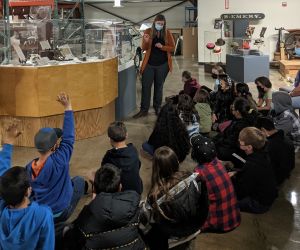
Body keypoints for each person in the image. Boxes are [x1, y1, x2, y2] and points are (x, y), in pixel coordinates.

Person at [25, 93, 85, 223]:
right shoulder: (61, 160)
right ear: (54, 147)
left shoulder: (29, 167)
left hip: (41, 215)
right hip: (61, 213)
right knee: (79, 181)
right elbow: (68, 138)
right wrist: (68, 107)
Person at [63, 164, 146, 250]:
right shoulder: (133, 205)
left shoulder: (86, 217)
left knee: (65, 229)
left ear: (94, 189)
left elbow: (72, 240)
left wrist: (94, 203)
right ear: (120, 187)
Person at [140, 146, 208, 249]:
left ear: (156, 168)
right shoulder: (194, 179)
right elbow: (204, 204)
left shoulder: (154, 197)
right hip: (195, 225)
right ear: (176, 162)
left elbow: (149, 220)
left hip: (173, 234)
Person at [0, 124, 55, 250]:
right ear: (28, 191)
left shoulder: (2, 208)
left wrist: (8, 143)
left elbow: (2, 174)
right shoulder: (44, 214)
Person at [191, 134, 241, 233]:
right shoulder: (219, 164)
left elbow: (194, 197)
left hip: (218, 223)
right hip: (234, 218)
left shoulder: (199, 172)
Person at [133, 14, 175, 118]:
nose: (160, 25)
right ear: (154, 23)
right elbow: (144, 48)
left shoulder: (167, 32)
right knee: (146, 87)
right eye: (158, 23)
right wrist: (146, 41)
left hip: (163, 65)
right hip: (149, 64)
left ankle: (157, 107)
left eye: (162, 24)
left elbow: (172, 48)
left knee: (159, 87)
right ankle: (144, 110)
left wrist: (162, 47)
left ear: (164, 24)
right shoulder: (148, 32)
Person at [231, 127, 277, 214]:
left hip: (259, 204)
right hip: (268, 195)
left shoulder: (253, 164)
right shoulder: (264, 153)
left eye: (240, 142)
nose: (239, 143)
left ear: (249, 147)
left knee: (224, 201)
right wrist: (237, 172)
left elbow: (242, 191)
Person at [213, 97, 258, 165]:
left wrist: (217, 143)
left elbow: (232, 142)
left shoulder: (243, 125)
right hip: (230, 145)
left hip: (237, 152)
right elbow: (226, 132)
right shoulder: (238, 118)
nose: (232, 112)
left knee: (216, 150)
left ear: (237, 111)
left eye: (233, 109)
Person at [101, 121, 143, 194]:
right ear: (126, 135)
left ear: (110, 139)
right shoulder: (133, 150)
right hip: (137, 191)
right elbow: (138, 165)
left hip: (119, 193)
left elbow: (104, 172)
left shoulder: (109, 156)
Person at [256, 117, 295, 185]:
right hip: (287, 173)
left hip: (276, 180)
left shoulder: (270, 146)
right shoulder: (286, 138)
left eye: (258, 133)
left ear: (263, 130)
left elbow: (266, 169)